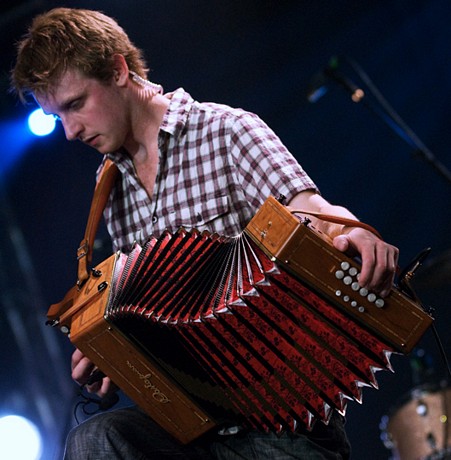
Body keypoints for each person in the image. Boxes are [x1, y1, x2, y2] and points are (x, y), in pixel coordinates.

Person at [11, 7, 399, 460]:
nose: (71, 132)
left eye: (75, 104)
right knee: (93, 438)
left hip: (282, 418)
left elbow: (308, 210)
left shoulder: (227, 130)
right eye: (58, 118)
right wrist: (117, 357)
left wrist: (354, 230)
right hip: (194, 423)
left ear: (118, 70)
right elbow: (150, 312)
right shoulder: (108, 191)